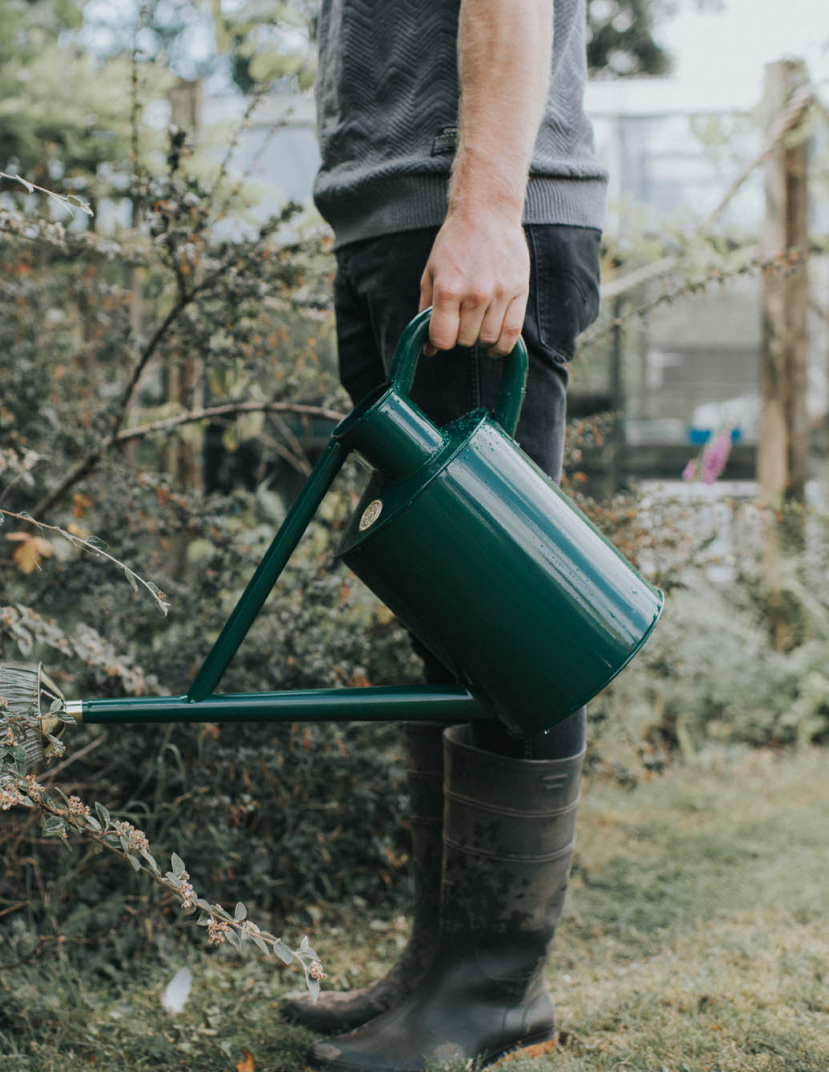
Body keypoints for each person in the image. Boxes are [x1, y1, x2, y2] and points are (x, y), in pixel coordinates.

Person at [280, 1, 606, 1069]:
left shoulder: (476, 215)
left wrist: (484, 209)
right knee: (450, 619)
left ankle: (493, 988)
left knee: (512, 617)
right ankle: (439, 966)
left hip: (467, 219)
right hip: (395, 218)